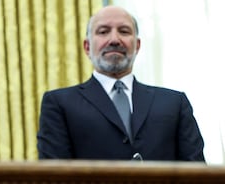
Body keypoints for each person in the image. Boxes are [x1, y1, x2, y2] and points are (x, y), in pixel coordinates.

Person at [37, 6, 205, 162]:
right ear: (87, 47)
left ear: (137, 45)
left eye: (124, 31)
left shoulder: (174, 103)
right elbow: (54, 180)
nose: (114, 39)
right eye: (103, 32)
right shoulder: (59, 103)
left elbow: (198, 177)